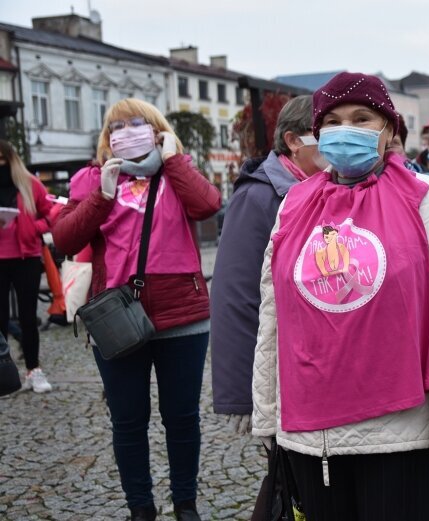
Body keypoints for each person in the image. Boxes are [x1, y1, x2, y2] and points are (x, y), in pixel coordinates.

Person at [251, 72, 429, 521]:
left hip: (396, 431)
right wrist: (267, 412)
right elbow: (273, 316)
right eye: (335, 120)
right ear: (318, 133)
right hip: (310, 432)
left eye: (362, 118)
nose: (347, 129)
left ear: (389, 129)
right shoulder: (295, 204)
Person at [52, 98, 221, 521]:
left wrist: (173, 160)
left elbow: (207, 205)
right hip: (118, 315)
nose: (126, 131)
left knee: (182, 416)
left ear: (158, 130)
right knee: (128, 420)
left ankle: (185, 504)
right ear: (107, 137)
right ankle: (140, 508)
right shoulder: (91, 178)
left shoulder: (177, 173)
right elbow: (66, 239)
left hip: (182, 311)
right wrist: (102, 197)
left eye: (137, 124)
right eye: (117, 126)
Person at [210, 95, 323, 433]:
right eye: (325, 131)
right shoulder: (258, 197)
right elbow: (235, 296)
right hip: (282, 370)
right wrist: (243, 393)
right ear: (293, 141)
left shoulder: (324, 189)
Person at [0, 139, 53, 393]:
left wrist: (35, 228)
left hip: (26, 257)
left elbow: (51, 213)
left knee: (28, 317)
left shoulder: (30, 184)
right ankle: (4, 373)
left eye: (2, 159)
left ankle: (34, 370)